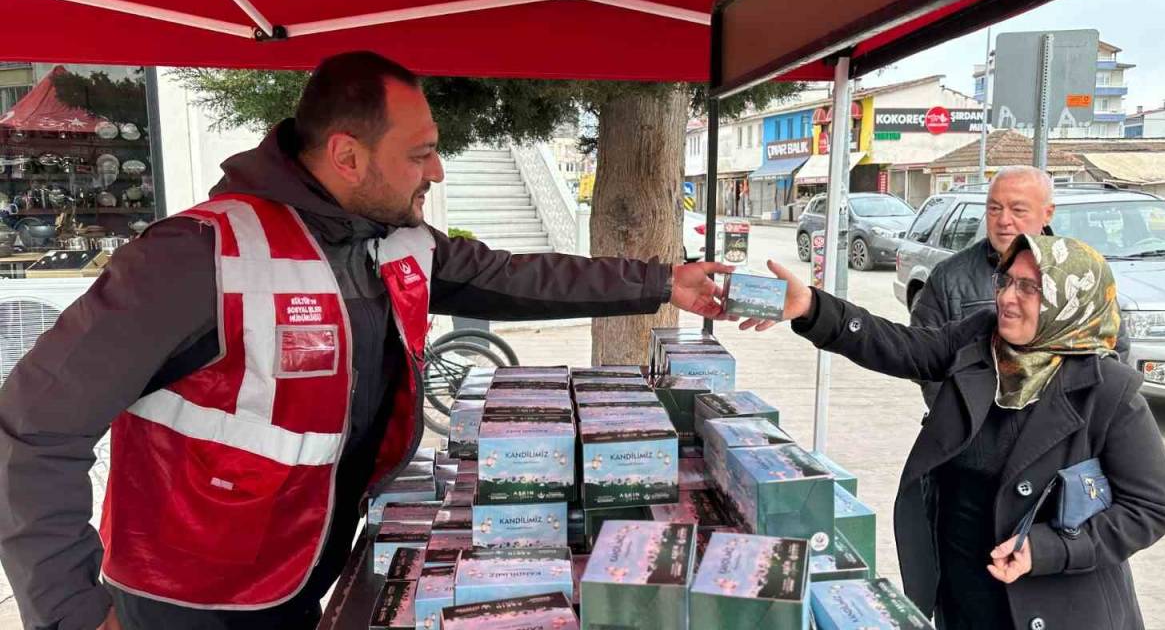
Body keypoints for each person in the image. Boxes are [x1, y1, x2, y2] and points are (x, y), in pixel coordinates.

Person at [0, 51, 732, 630]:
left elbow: (521, 278)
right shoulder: (194, 254)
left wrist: (665, 282)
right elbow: (28, 430)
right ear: (347, 155)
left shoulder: (393, 240)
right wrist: (71, 613)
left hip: (300, 577)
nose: (437, 171)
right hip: (185, 603)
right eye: (420, 154)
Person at [742, 234, 1165, 630]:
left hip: (1057, 604)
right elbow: (899, 345)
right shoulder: (977, 341)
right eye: (1005, 281)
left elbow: (1151, 507)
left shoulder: (1107, 390)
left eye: (1030, 287)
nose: (1007, 297)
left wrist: (1047, 549)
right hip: (964, 591)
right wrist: (813, 308)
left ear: (1071, 299)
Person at [910, 165, 1127, 405]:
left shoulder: (1078, 272)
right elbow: (925, 359)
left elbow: (1114, 346)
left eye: (1018, 210)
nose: (1003, 220)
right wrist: (961, 418)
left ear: (1048, 213)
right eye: (994, 209)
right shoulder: (949, 277)